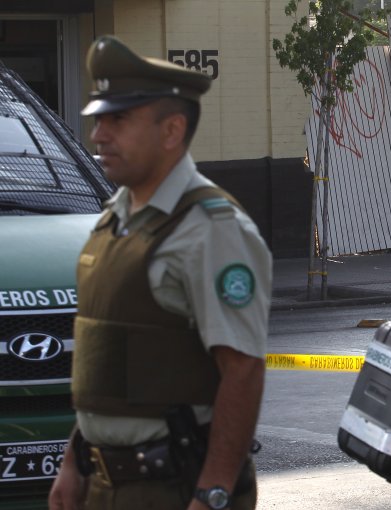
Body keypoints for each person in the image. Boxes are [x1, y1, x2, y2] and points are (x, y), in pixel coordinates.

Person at [49, 35, 271, 510]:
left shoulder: (213, 230)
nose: (98, 135)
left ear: (171, 131)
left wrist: (211, 495)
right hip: (104, 485)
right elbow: (107, 366)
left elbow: (243, 370)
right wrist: (73, 461)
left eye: (118, 120)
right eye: (98, 119)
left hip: (171, 489)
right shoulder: (116, 215)